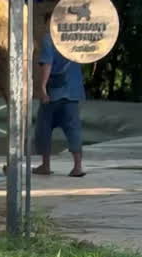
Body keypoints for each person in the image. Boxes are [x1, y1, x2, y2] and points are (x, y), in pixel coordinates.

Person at [33, 15, 86, 178]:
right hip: (73, 92)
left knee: (44, 128)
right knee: (73, 129)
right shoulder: (75, 39)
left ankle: (45, 165)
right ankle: (78, 166)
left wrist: (42, 87)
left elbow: (47, 64)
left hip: (53, 93)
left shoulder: (50, 39)